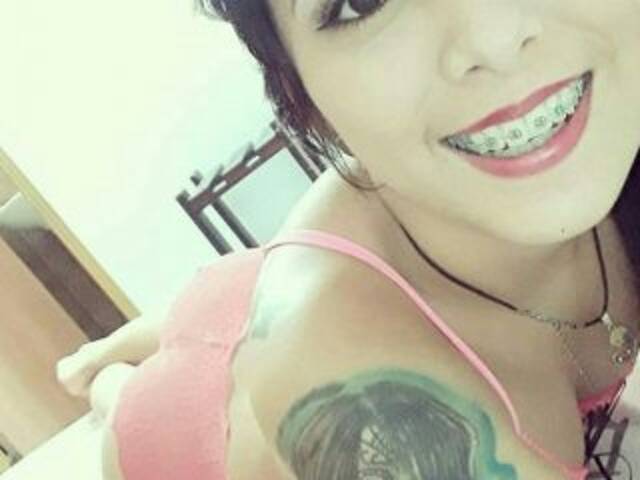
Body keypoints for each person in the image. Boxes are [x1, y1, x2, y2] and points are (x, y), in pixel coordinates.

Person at [56, 0, 640, 478]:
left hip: (282, 283)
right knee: (123, 397)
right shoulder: (365, 399)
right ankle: (104, 370)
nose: (495, 39)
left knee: (242, 303)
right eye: (362, 2)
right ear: (298, 93)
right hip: (188, 435)